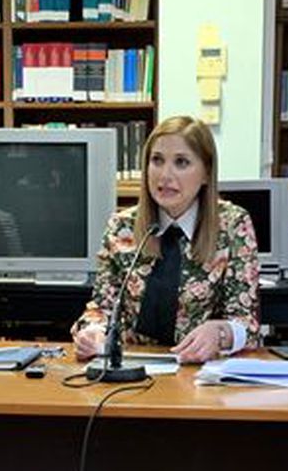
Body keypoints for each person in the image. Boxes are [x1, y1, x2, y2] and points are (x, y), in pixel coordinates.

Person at [72, 115, 261, 364]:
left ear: (206, 172)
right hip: (133, 368)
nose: (165, 175)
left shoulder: (232, 225)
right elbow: (102, 307)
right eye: (157, 161)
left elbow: (247, 323)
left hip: (203, 372)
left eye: (181, 162)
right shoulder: (122, 226)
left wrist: (220, 333)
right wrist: (93, 333)